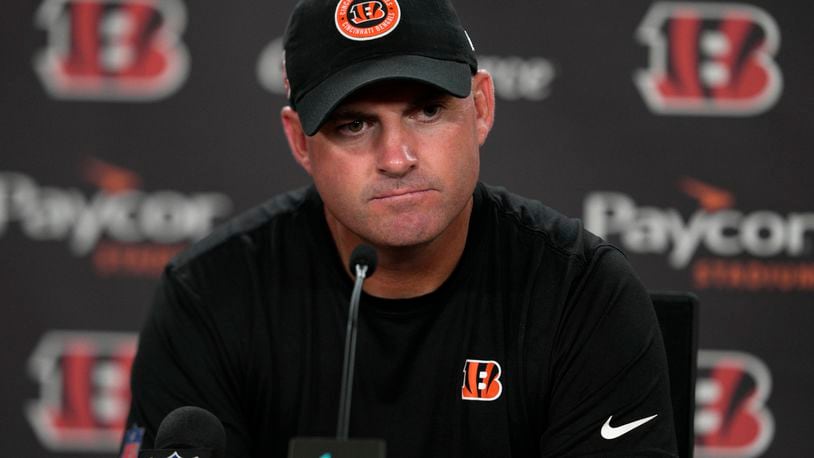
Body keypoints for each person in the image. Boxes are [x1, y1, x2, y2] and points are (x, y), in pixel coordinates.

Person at [123, 0, 678, 456]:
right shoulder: (210, 299)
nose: (396, 157)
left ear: (481, 107)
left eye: (428, 111)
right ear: (299, 142)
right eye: (354, 124)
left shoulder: (581, 294)